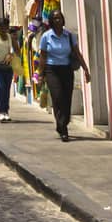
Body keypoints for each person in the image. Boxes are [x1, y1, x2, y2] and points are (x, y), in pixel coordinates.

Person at [36, 11, 89, 141]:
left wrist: (86, 69)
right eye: (54, 18)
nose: (57, 20)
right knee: (58, 97)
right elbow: (43, 56)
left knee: (67, 99)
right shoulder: (46, 37)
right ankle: (63, 128)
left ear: (63, 20)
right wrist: (40, 74)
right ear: (51, 21)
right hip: (51, 70)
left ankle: (62, 123)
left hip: (66, 69)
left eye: (59, 18)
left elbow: (77, 53)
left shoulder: (69, 36)